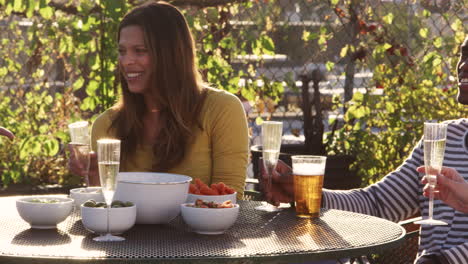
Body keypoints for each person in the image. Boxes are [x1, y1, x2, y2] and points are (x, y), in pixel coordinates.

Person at [261, 36, 468, 264]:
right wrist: (310, 195)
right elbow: (377, 203)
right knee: (304, 254)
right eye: (463, 54)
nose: (464, 65)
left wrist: (445, 260)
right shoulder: (443, 137)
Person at [70, 1, 249, 198]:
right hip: (130, 229)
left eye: (140, 50)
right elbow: (108, 207)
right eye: (122, 51)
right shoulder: (107, 126)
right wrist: (94, 180)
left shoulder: (221, 109)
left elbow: (229, 199)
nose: (126, 61)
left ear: (171, 55)